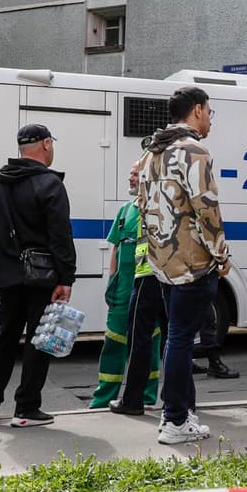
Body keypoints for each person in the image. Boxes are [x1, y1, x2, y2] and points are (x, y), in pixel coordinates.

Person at [138, 86, 231, 444]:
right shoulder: (194, 150)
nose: (209, 118)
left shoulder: (151, 152)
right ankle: (174, 419)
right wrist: (221, 254)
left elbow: (143, 206)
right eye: (209, 111)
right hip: (192, 261)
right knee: (180, 338)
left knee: (174, 338)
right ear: (196, 110)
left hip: (161, 260)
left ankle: (182, 413)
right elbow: (206, 208)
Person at [0, 123, 76, 428]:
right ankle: (26, 408)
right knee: (40, 339)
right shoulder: (49, 183)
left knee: (4, 338)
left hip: (8, 277)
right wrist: (66, 278)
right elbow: (60, 234)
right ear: (46, 144)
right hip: (43, 277)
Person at [91, 162, 159, 409]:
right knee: (113, 343)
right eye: (129, 174)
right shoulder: (125, 210)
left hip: (148, 288)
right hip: (123, 289)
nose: (130, 179)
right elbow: (117, 247)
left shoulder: (157, 209)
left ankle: (147, 397)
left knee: (148, 345)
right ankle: (103, 398)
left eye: (135, 175)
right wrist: (112, 279)